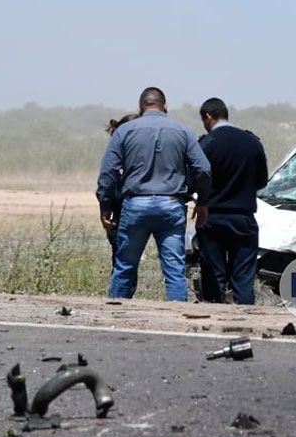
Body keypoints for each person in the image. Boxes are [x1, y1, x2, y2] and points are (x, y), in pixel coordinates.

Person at [96, 87, 211, 301]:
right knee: (174, 272)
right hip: (171, 204)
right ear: (166, 106)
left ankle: (113, 315)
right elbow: (203, 169)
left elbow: (107, 173)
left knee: (124, 268)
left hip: (135, 205)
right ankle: (178, 323)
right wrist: (202, 202)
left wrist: (106, 207)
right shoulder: (183, 131)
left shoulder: (124, 131)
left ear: (140, 108)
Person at [193, 97, 268, 304]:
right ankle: (245, 321)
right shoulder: (253, 142)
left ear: (208, 117)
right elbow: (261, 181)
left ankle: (215, 322)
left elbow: (196, 179)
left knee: (213, 276)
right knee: (243, 278)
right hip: (243, 218)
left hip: (212, 218)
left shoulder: (206, 144)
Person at [99, 113, 137, 271]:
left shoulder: (117, 155)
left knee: (122, 265)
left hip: (119, 214)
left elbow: (105, 183)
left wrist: (105, 209)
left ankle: (119, 295)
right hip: (122, 213)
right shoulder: (127, 157)